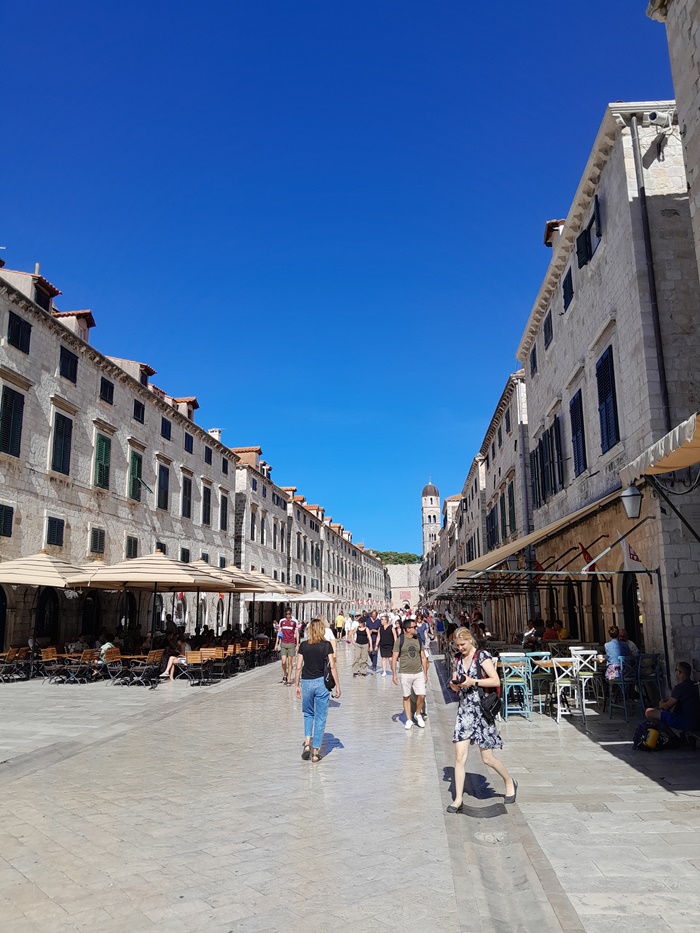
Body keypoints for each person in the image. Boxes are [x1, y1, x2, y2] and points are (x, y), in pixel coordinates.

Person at [447, 627, 517, 812]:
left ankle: (509, 781)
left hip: (482, 712)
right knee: (459, 757)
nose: (460, 648)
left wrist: (473, 682)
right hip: (465, 712)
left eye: (462, 644)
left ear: (470, 640)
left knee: (487, 759)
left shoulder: (482, 656)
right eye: (457, 645)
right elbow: (456, 681)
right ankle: (458, 799)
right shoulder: (457, 659)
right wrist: (455, 685)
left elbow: (495, 681)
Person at [295, 617, 341, 763]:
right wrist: (338, 685)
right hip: (321, 683)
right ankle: (315, 752)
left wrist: (296, 685)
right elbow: (332, 666)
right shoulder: (326, 645)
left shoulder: (303, 646)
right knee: (320, 717)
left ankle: (307, 744)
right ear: (321, 630)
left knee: (308, 714)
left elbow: (298, 667)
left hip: (306, 682)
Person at [391, 618, 429, 730]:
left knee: (422, 695)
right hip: (405, 673)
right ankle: (409, 719)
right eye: (414, 627)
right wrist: (394, 674)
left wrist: (425, 673)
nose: (416, 628)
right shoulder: (400, 640)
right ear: (408, 629)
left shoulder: (418, 639)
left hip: (418, 672)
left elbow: (423, 657)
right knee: (406, 696)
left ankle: (417, 714)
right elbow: (394, 658)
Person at [645, 661, 700, 734]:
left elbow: (666, 706)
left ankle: (662, 736)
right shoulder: (694, 685)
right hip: (696, 721)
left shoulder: (679, 688)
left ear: (680, 672)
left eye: (676, 670)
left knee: (649, 712)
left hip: (685, 722)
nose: (675, 672)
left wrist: (661, 703)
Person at [277, 609, 299, 685]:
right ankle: (285, 673)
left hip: (291, 643)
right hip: (283, 643)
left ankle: (289, 678)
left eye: (289, 614)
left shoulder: (294, 622)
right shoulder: (282, 621)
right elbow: (279, 632)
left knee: (290, 662)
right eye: (286, 614)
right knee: (283, 662)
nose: (288, 615)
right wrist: (276, 643)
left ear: (291, 614)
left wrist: (297, 644)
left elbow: (297, 633)